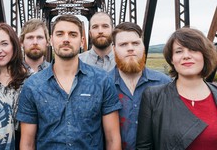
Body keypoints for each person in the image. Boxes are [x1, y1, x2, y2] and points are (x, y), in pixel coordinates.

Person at [16, 14, 122, 150]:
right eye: (60, 34)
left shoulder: (102, 81)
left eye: (73, 34)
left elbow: (113, 139)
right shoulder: (33, 85)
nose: (66, 39)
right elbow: (27, 143)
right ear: (51, 40)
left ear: (82, 41)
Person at [136, 27, 217, 149]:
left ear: (205, 55)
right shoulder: (153, 97)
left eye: (193, 50)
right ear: (172, 59)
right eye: (179, 51)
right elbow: (144, 147)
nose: (186, 56)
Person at [109, 22, 171, 150]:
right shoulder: (103, 84)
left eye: (136, 43)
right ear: (114, 49)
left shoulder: (164, 83)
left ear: (143, 47)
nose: (130, 48)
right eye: (123, 44)